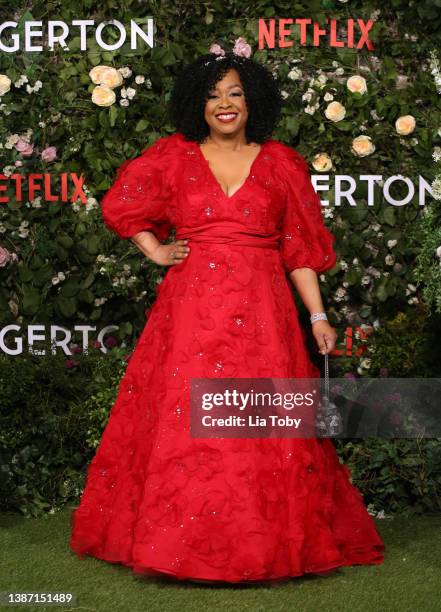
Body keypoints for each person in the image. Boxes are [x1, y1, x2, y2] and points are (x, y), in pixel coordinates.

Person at [69, 39, 385, 584]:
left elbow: (301, 250)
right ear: (199, 104)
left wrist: (317, 317)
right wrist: (158, 251)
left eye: (235, 93)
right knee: (186, 425)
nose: (224, 104)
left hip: (264, 312)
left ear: (252, 102)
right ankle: (181, 544)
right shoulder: (172, 156)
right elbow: (122, 205)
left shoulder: (283, 164)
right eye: (214, 95)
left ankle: (261, 545)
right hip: (191, 310)